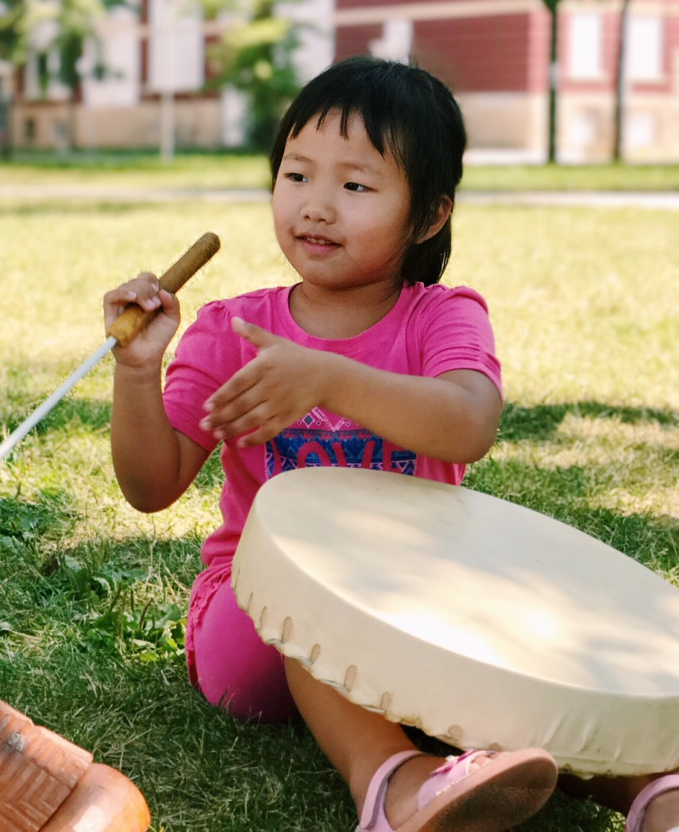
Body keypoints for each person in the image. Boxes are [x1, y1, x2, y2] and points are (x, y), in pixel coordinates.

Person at [101, 56, 679, 832]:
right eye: (297, 174)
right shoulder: (230, 328)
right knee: (319, 604)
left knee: (497, 661)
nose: (317, 206)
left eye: (357, 185)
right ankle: (396, 788)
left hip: (416, 608)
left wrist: (326, 378)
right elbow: (151, 483)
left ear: (430, 215)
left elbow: (468, 421)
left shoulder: (443, 318)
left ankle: (648, 790)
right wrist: (138, 372)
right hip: (256, 624)